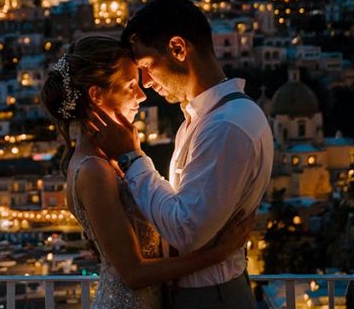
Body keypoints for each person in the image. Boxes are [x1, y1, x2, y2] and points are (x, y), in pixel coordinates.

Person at [40, 34, 256, 309]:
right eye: (131, 85)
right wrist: (219, 253)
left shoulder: (108, 160)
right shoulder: (94, 169)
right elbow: (134, 274)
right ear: (96, 95)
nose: (142, 95)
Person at [85, 0, 273, 309]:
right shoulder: (206, 120)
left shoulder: (226, 126)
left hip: (211, 295)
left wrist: (132, 158)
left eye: (145, 66)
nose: (144, 82)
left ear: (177, 48)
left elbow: (186, 231)